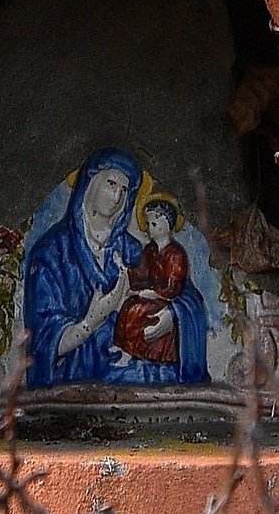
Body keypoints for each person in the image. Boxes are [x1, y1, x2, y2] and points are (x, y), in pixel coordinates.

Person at [23, 150, 208, 389]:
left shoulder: (132, 249)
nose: (117, 197)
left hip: (141, 367)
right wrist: (90, 321)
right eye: (111, 183)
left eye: (125, 190)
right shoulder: (51, 253)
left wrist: (173, 314)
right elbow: (40, 342)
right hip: (80, 374)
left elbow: (183, 291)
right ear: (90, 182)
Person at [115, 197, 192, 367]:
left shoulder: (175, 255)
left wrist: (155, 292)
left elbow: (173, 285)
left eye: (153, 225)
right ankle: (124, 348)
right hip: (151, 294)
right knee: (128, 305)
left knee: (137, 311)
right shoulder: (150, 250)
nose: (149, 229)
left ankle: (140, 353)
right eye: (148, 224)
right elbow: (141, 273)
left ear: (166, 225)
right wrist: (126, 270)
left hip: (164, 298)